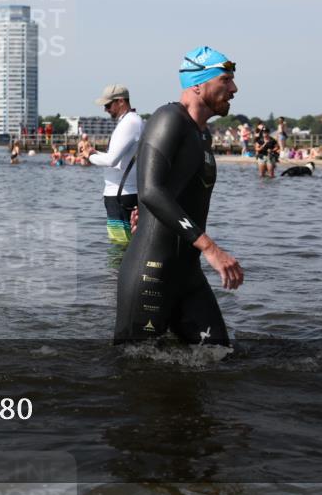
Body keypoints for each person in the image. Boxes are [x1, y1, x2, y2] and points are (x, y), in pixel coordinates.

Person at [115, 46, 243, 346]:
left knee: (220, 357)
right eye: (225, 80)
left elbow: (167, 192)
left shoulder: (202, 134)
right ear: (198, 84)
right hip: (152, 269)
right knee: (133, 373)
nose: (234, 88)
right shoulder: (169, 118)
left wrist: (147, 213)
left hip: (187, 271)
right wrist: (211, 249)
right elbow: (151, 190)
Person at [82, 84, 144, 245]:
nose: (105, 109)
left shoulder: (129, 123)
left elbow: (111, 161)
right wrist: (95, 154)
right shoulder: (130, 121)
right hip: (122, 194)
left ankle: (117, 272)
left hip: (122, 196)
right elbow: (117, 159)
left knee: (120, 248)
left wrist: (89, 156)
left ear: (121, 101)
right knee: (122, 246)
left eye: (108, 105)